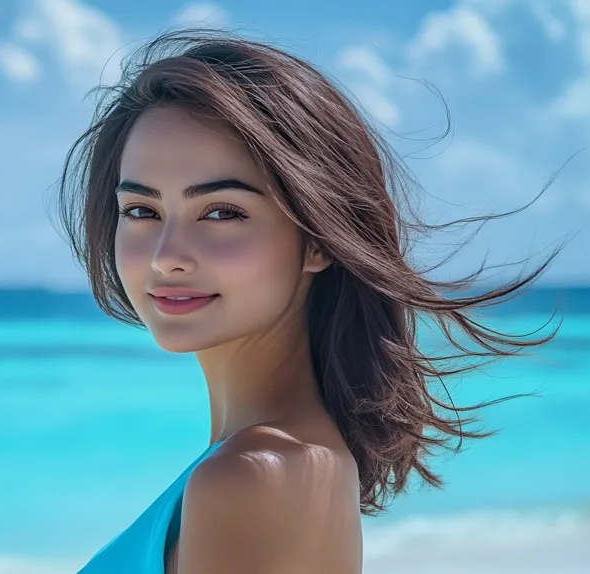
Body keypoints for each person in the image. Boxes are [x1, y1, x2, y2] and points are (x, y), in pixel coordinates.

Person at [58, 28, 562, 574]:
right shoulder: (287, 463)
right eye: (141, 210)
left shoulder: (253, 476)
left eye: (222, 212)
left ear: (318, 238)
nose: (166, 256)